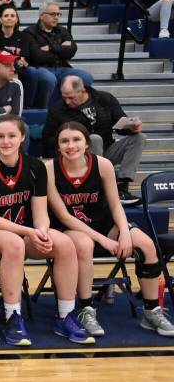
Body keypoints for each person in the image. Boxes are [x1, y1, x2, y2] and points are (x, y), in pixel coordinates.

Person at [46, 122, 174, 338]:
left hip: (104, 223)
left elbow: (116, 205)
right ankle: (86, 309)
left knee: (146, 245)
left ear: (87, 143)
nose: (71, 145)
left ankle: (151, 311)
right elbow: (64, 216)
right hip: (70, 227)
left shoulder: (102, 165)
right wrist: (103, 240)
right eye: (64, 141)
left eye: (76, 139)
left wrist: (124, 232)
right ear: (58, 147)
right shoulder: (49, 169)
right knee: (85, 244)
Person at [0, 115, 80, 346]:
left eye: (12, 135)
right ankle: (12, 315)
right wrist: (30, 232)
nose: (6, 141)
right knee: (14, 243)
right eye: (0, 136)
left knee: (64, 243)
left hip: (27, 231)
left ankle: (65, 314)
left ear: (22, 137)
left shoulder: (35, 166)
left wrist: (41, 231)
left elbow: (41, 211)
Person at [43, 75, 144, 204]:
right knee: (93, 139)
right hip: (78, 156)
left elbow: (120, 124)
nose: (67, 102)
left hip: (107, 150)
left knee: (139, 138)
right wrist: (68, 143)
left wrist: (132, 127)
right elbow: (47, 138)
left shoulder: (104, 99)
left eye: (71, 97)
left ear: (83, 91)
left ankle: (123, 187)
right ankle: (98, 185)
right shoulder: (58, 109)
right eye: (64, 97)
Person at [22, 2, 94, 104]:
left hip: (62, 68)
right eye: (53, 14)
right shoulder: (30, 32)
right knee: (49, 78)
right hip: (41, 68)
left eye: (58, 14)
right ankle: (43, 110)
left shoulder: (62, 30)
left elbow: (72, 51)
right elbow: (38, 57)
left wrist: (51, 48)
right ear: (42, 16)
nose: (56, 17)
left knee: (86, 77)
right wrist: (61, 50)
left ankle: (73, 106)